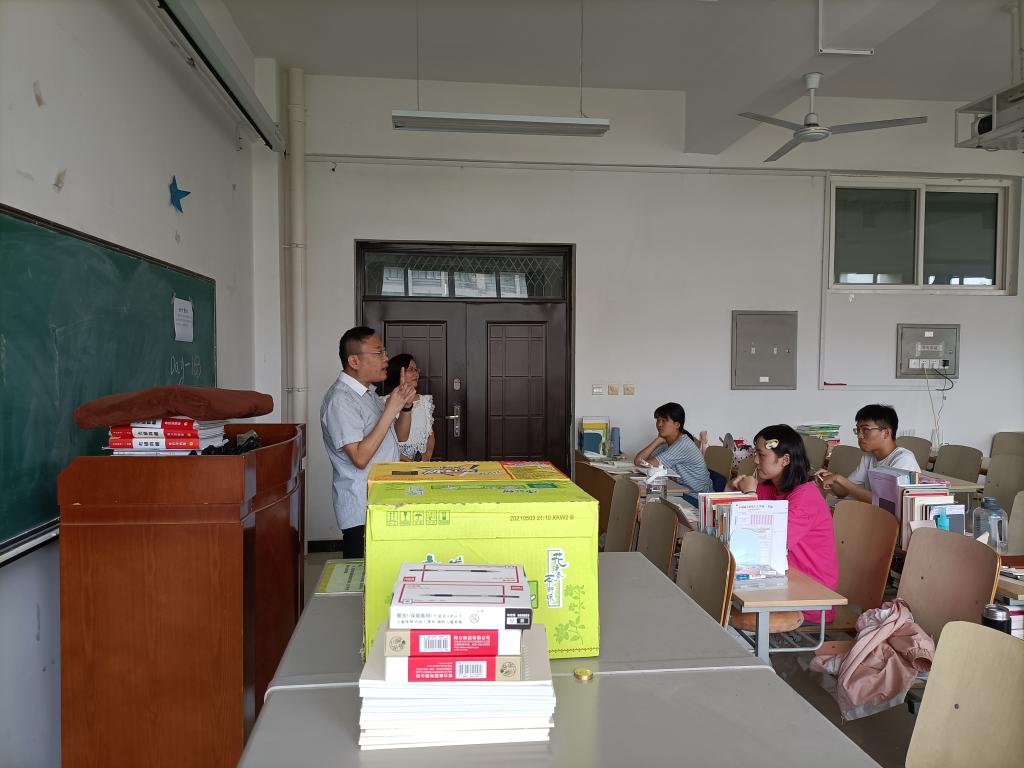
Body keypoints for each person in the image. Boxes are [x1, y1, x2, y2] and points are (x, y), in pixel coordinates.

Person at [320, 326, 416, 558]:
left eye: (385, 352)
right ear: (354, 361)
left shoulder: (367, 394)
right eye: (378, 353)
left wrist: (405, 407)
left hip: (382, 499)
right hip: (362, 508)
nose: (386, 359)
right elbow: (360, 458)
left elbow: (399, 437)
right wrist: (390, 408)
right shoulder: (341, 400)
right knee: (365, 576)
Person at [730, 424, 838, 622]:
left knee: (722, 609)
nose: (755, 460)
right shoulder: (770, 489)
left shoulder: (806, 497)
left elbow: (766, 545)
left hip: (809, 599)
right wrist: (732, 488)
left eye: (762, 455)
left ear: (785, 460)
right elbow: (729, 518)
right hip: (779, 582)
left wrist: (750, 494)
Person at [818, 404, 920, 505]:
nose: (859, 436)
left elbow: (884, 503)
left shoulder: (903, 459)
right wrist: (830, 479)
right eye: (858, 430)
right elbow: (843, 492)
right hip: (872, 512)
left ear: (886, 433)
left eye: (865, 430)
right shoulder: (869, 457)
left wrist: (839, 479)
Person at [633, 402, 713, 494]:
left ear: (677, 424)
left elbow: (642, 464)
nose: (659, 424)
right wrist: (657, 441)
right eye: (658, 420)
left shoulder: (682, 444)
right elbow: (641, 462)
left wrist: (657, 441)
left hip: (697, 496)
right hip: (681, 490)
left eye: (664, 421)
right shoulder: (667, 442)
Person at [378, 353, 435, 461]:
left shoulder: (424, 401)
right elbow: (386, 441)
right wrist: (408, 462)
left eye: (416, 370)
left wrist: (426, 456)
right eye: (410, 369)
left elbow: (430, 434)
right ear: (397, 372)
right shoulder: (383, 402)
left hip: (420, 464)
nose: (416, 374)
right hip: (394, 462)